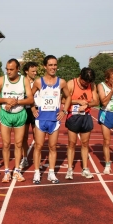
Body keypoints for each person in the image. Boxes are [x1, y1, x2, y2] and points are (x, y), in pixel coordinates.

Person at [31, 55, 71, 184]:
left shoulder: (62, 82)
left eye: (55, 65)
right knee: (38, 146)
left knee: (53, 147)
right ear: (45, 66)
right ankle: (37, 173)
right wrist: (33, 109)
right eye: (50, 65)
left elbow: (68, 97)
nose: (53, 67)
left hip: (54, 120)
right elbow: (29, 96)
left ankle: (51, 173)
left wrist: (64, 111)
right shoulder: (38, 82)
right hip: (41, 119)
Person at [0, 58, 33, 183]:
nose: (8, 72)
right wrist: (6, 100)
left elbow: (30, 100)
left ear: (17, 69)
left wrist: (17, 101)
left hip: (20, 114)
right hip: (5, 115)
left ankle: (17, 171)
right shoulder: (1, 80)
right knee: (5, 144)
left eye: (11, 69)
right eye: (7, 69)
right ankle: (6, 171)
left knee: (19, 144)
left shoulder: (24, 80)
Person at [64, 67, 99, 180]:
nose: (86, 84)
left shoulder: (92, 85)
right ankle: (70, 169)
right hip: (73, 116)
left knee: (85, 143)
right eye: (84, 82)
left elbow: (96, 101)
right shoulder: (71, 84)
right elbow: (63, 100)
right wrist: (77, 101)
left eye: (88, 82)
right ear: (80, 76)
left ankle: (85, 169)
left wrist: (87, 105)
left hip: (86, 117)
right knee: (72, 143)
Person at [20, 61, 38, 170]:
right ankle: (25, 158)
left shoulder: (38, 82)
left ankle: (37, 158)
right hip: (24, 110)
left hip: (36, 110)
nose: (35, 73)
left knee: (37, 137)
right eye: (33, 71)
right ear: (26, 71)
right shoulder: (21, 82)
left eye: (36, 71)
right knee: (24, 137)